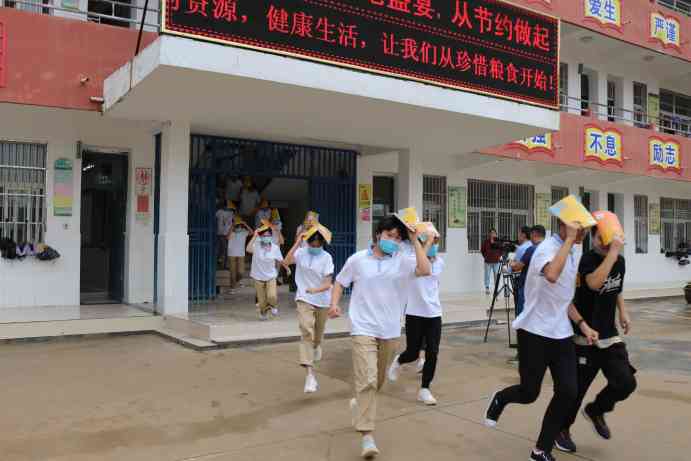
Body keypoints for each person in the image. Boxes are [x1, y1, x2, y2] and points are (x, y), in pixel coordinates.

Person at [328, 215, 432, 460]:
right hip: (362, 327)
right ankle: (367, 435)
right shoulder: (358, 260)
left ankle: (359, 403)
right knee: (367, 379)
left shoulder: (402, 261)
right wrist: (334, 304)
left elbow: (425, 269)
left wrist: (414, 240)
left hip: (390, 330)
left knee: (378, 381)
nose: (393, 241)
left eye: (397, 237)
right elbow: (340, 282)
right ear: (378, 235)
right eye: (389, 235)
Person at [485, 219, 586, 461]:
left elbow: (563, 297)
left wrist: (582, 324)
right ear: (565, 226)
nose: (585, 233)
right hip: (534, 332)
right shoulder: (545, 249)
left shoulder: (573, 250)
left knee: (568, 392)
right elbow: (551, 274)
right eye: (581, 228)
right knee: (529, 393)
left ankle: (541, 450)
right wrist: (570, 240)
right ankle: (501, 397)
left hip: (561, 333)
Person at [554, 226, 635, 454]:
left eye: (607, 238)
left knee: (626, 382)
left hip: (608, 335)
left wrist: (623, 312)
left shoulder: (619, 261)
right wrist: (612, 253)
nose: (604, 242)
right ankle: (561, 430)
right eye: (600, 237)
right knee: (576, 391)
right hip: (584, 336)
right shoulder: (587, 260)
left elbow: (616, 287)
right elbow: (594, 283)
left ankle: (596, 410)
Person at [388, 223, 444, 406]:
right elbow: (421, 269)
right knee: (412, 352)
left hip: (434, 313)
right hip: (414, 313)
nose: (434, 244)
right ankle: (399, 360)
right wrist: (421, 243)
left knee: (432, 352)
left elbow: (427, 268)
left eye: (436, 241)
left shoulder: (439, 262)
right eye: (431, 241)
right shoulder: (409, 260)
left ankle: (425, 389)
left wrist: (424, 244)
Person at [284, 224, 334, 394]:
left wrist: (316, 290)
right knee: (306, 330)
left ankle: (317, 345)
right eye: (312, 244)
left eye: (318, 244)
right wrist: (297, 242)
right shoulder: (301, 252)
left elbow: (328, 283)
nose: (315, 247)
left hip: (322, 300)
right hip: (304, 298)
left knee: (317, 335)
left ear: (322, 244)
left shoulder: (327, 258)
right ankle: (310, 376)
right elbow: (286, 261)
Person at [247, 221, 284, 320]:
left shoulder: (275, 247)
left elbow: (281, 260)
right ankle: (263, 312)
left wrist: (287, 268)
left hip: (270, 276)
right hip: (258, 276)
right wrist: (254, 235)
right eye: (264, 235)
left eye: (268, 235)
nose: (266, 237)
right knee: (262, 301)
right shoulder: (256, 245)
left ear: (271, 236)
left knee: (272, 296)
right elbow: (248, 249)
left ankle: (273, 305)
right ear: (260, 236)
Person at [227, 216, 252, 292]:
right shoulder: (231, 231)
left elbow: (252, 232)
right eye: (237, 226)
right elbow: (227, 237)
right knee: (232, 272)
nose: (238, 227)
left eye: (239, 225)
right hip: (231, 254)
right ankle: (232, 288)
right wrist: (232, 226)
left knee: (241, 272)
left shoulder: (244, 232)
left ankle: (236, 281)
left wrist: (245, 224)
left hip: (241, 254)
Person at [215, 201, 236, 269]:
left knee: (225, 249)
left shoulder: (231, 212)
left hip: (227, 233)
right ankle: (222, 264)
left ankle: (222, 264)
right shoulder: (219, 211)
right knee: (224, 249)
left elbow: (234, 222)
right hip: (221, 233)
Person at [481, 229, 502, 295]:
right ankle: (487, 288)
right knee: (487, 275)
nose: (492, 234)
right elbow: (482, 250)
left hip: (496, 261)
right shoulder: (486, 242)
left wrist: (498, 256)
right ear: (489, 234)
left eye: (494, 233)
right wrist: (486, 256)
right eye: (491, 233)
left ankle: (496, 289)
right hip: (488, 261)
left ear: (496, 234)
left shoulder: (498, 242)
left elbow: (501, 250)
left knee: (496, 275)